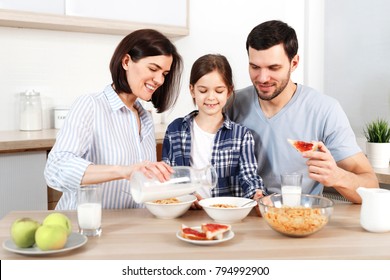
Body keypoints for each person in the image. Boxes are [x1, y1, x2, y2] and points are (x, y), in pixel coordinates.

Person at [226, 20, 378, 203]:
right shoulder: (231, 104)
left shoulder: (324, 110)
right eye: (255, 67)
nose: (263, 78)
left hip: (301, 220)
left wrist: (337, 176)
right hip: (242, 219)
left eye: (274, 68)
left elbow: (371, 186)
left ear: (294, 62)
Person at [44, 29, 183, 210]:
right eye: (153, 69)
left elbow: (141, 184)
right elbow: (56, 169)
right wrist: (122, 171)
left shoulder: (146, 118)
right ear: (126, 61)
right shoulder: (91, 105)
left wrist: (181, 193)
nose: (159, 80)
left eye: (164, 73)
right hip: (84, 227)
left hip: (128, 228)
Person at [162, 54, 265, 208]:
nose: (211, 97)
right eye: (203, 90)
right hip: (186, 211)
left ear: (229, 91)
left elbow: (249, 177)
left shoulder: (242, 136)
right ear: (192, 90)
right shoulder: (175, 130)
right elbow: (168, 177)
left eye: (219, 91)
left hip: (226, 214)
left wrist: (257, 193)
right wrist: (185, 196)